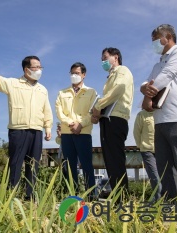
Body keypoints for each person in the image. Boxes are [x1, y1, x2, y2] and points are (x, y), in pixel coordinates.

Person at [0, 56, 53, 200]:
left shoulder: (42, 89)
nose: (40, 70)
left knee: (33, 165)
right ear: (27, 69)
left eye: (41, 67)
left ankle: (30, 197)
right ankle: (11, 196)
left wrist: (48, 127)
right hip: (18, 130)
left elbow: (47, 109)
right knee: (15, 163)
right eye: (36, 67)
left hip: (36, 130)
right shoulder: (13, 83)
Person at [141, 24, 177, 200]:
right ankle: (170, 205)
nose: (154, 44)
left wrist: (149, 93)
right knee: (164, 167)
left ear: (168, 37)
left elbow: (168, 74)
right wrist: (144, 89)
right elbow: (146, 82)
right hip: (160, 120)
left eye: (156, 39)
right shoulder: (158, 64)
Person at [91, 47, 134, 198]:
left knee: (115, 159)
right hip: (108, 119)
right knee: (110, 159)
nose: (103, 61)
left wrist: (98, 106)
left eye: (105, 57)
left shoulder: (122, 71)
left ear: (115, 57)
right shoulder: (110, 76)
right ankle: (117, 193)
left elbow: (117, 90)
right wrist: (97, 113)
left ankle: (122, 196)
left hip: (116, 119)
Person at [55, 62, 97, 199]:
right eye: (72, 73)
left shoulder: (91, 92)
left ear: (84, 75)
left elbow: (93, 111)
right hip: (67, 134)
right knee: (69, 166)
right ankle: (72, 196)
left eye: (77, 73)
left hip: (84, 133)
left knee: (86, 165)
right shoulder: (62, 93)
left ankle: (91, 196)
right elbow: (59, 112)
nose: (74, 75)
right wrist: (71, 123)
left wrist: (81, 124)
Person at [133, 109, 162, 201]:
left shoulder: (162, 113)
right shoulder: (141, 114)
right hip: (147, 150)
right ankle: (158, 200)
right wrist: (140, 146)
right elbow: (136, 132)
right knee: (155, 177)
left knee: (166, 176)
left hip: (162, 150)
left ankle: (167, 199)